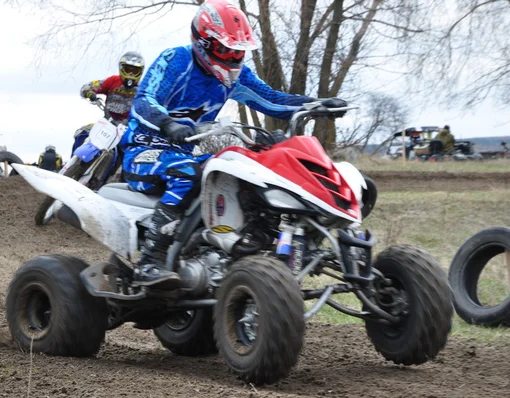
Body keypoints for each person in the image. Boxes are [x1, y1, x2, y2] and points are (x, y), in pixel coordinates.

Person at [119, 0, 346, 289]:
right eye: (226, 49)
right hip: (145, 149)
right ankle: (150, 261)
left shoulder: (236, 77)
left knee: (240, 174)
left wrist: (316, 103)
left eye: (238, 51)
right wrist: (168, 125)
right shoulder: (176, 60)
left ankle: (238, 250)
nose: (233, 57)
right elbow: (144, 100)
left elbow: (273, 100)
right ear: (203, 42)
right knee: (187, 172)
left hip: (186, 151)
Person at [72, 51, 146, 154]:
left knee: (135, 150)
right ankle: (70, 166)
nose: (130, 74)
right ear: (121, 68)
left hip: (129, 127)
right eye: (128, 69)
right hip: (107, 122)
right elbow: (86, 87)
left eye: (134, 71)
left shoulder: (144, 89)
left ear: (140, 72)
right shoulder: (112, 80)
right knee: (82, 134)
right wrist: (90, 94)